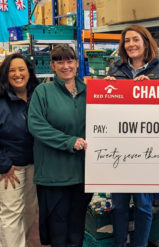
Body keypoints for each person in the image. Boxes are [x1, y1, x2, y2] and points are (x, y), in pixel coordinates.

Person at [105, 24, 159, 247]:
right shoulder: (115, 70)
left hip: (146, 150)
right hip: (119, 150)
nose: (131, 44)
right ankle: (120, 244)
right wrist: (106, 90)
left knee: (143, 204)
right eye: (127, 41)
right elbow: (108, 110)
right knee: (119, 205)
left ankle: (140, 245)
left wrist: (153, 90)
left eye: (135, 40)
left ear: (145, 42)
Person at [28, 44, 92, 247]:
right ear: (52, 66)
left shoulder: (89, 92)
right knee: (58, 232)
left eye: (70, 60)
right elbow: (36, 126)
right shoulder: (43, 92)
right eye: (59, 61)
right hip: (54, 177)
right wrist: (69, 141)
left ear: (76, 63)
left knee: (77, 231)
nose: (66, 65)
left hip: (82, 175)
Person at [0, 53, 39, 247]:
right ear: (5, 75)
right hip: (11, 170)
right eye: (12, 70)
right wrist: (4, 164)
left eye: (21, 69)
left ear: (29, 72)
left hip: (35, 165)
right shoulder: (2, 101)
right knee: (11, 214)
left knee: (29, 212)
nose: (17, 74)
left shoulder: (37, 95)